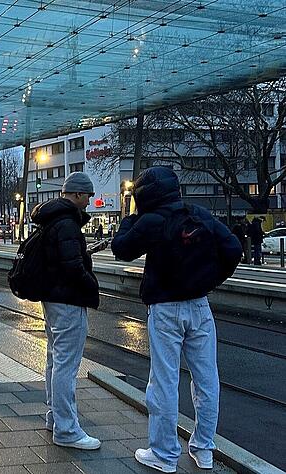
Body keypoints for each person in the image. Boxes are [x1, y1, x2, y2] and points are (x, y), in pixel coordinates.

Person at [111, 167, 241, 473]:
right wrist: (210, 280)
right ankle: (204, 449)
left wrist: (131, 214)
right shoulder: (198, 215)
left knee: (165, 381)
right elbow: (233, 248)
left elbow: (121, 247)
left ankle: (164, 454)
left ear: (145, 194)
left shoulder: (152, 221)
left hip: (165, 309)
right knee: (207, 380)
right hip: (199, 305)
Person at [30, 171, 102, 451]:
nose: (89, 201)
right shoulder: (67, 223)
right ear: (78, 194)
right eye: (88, 195)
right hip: (68, 300)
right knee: (66, 366)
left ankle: (55, 416)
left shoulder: (51, 219)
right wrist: (90, 284)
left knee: (54, 360)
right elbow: (72, 267)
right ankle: (67, 430)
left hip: (52, 298)